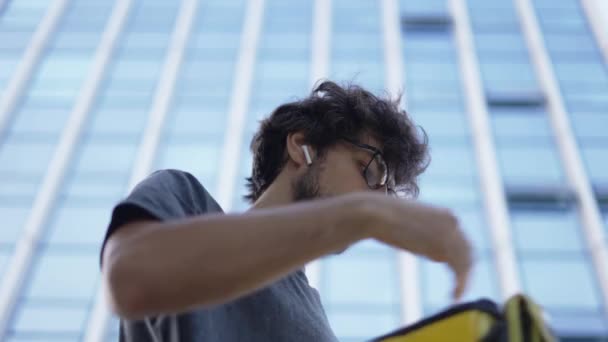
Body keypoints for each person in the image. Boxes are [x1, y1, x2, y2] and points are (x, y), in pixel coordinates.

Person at [100, 81, 473, 342]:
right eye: (370, 171)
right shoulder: (186, 199)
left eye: (386, 196)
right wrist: (361, 214)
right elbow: (131, 277)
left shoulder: (322, 325)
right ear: (302, 147)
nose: (376, 199)